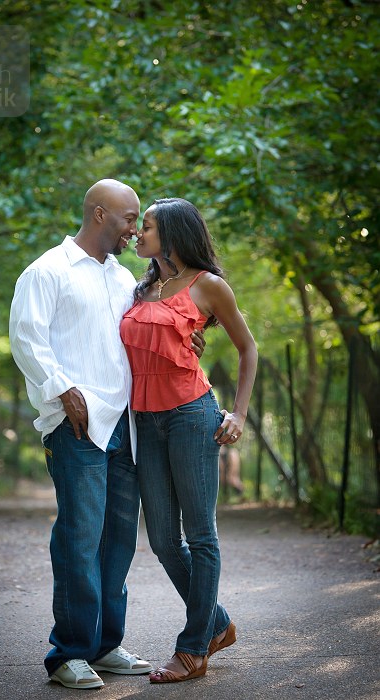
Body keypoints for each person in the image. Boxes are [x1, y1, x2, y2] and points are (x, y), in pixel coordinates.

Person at [9, 180, 204, 691]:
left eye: (139, 219)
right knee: (79, 537)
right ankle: (68, 653)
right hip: (76, 424)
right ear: (99, 214)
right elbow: (26, 338)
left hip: (127, 424)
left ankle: (105, 644)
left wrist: (186, 334)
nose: (135, 229)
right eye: (128, 218)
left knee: (118, 541)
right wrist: (61, 389)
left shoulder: (124, 280)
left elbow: (149, 326)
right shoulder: (47, 271)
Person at [120, 197, 258, 683]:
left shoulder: (209, 286)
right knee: (161, 539)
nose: (139, 234)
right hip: (145, 420)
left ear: (174, 235)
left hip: (191, 415)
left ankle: (193, 648)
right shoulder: (141, 287)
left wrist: (238, 414)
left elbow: (247, 348)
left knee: (200, 535)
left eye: (149, 227)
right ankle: (217, 623)